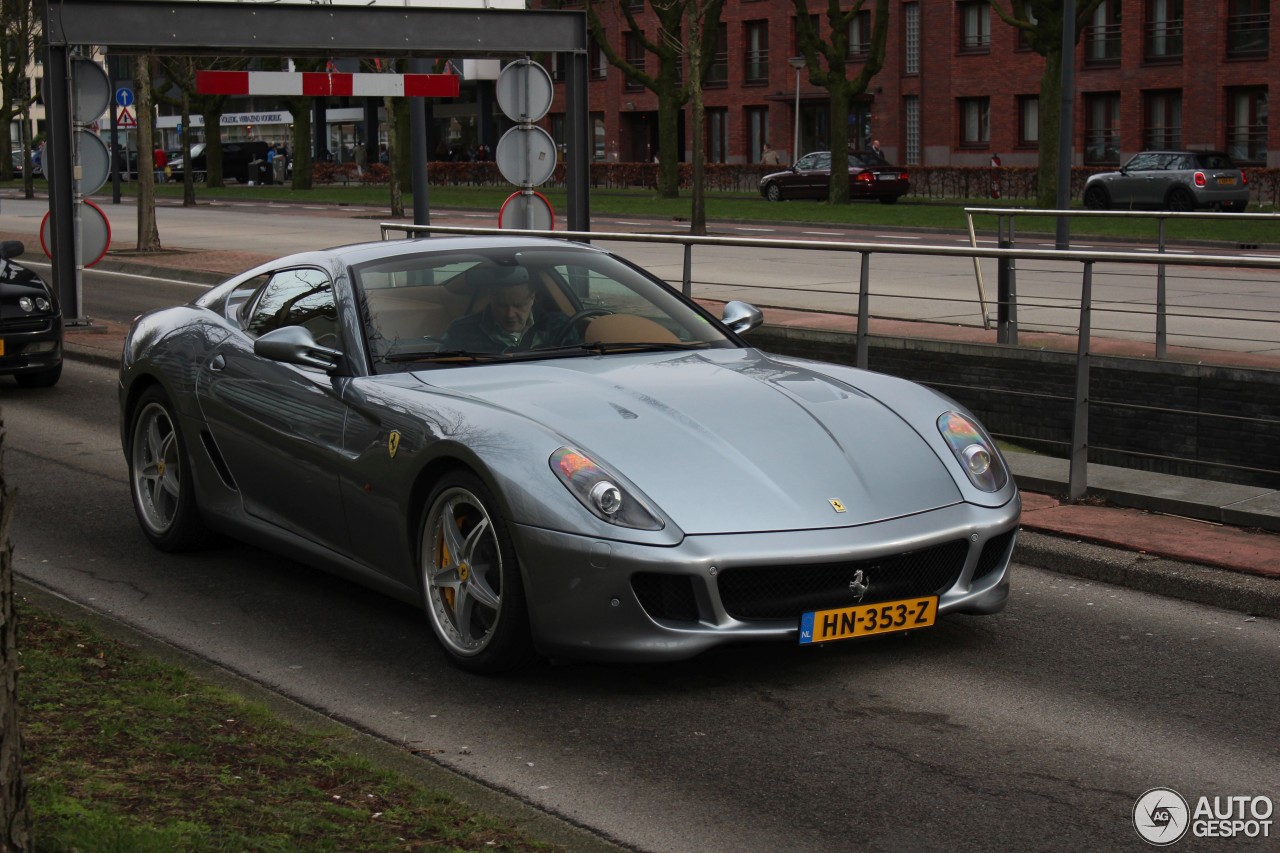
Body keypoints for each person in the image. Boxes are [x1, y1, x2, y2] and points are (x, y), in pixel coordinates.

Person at [441, 267, 569, 353]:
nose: (510, 314)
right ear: (491, 299)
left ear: (532, 298)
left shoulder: (558, 326)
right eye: (502, 305)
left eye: (518, 306)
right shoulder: (461, 332)